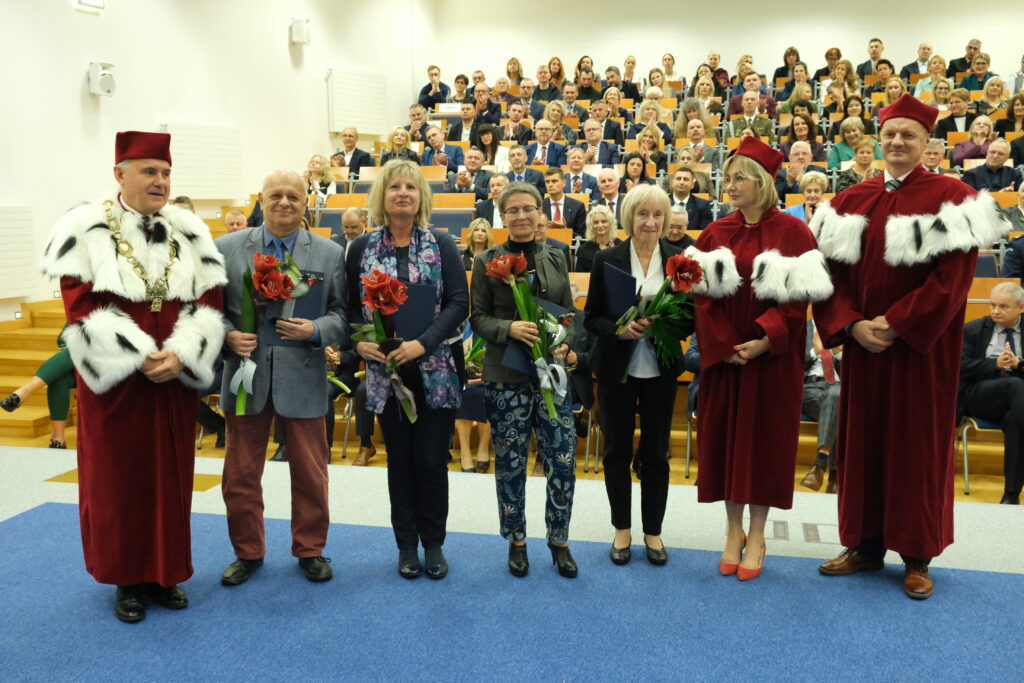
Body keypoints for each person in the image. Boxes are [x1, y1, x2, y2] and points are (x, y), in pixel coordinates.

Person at [812, 94, 1003, 599]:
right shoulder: (850, 201)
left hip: (922, 351)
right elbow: (829, 277)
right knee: (864, 445)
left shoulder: (953, 197)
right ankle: (864, 545)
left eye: (908, 135)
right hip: (864, 350)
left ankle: (917, 555)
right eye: (890, 134)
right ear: (879, 139)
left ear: (926, 142)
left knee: (916, 449)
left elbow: (951, 282)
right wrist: (852, 325)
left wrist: (896, 324)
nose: (898, 142)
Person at [41, 130, 226, 622]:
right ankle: (125, 579)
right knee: (118, 481)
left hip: (172, 382)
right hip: (116, 384)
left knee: (171, 478)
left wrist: (182, 354)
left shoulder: (191, 230)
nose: (160, 181)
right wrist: (139, 354)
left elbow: (210, 302)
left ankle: (165, 573)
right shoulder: (83, 228)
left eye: (165, 173)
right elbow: (80, 307)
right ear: (119, 175)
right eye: (149, 172)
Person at [690, 136, 833, 581]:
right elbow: (699, 299)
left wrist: (764, 340)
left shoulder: (794, 232)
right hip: (726, 361)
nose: (730, 185)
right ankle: (732, 532)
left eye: (739, 178)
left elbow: (799, 301)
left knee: (763, 446)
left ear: (762, 182)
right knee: (726, 444)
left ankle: (757, 534)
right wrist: (724, 345)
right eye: (728, 178)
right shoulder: (716, 232)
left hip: (772, 362)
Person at [217, 169, 344, 586]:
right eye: (276, 195)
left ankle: (310, 549)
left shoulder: (328, 253)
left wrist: (317, 329)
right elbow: (206, 313)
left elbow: (343, 315)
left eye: (293, 196)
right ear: (261, 198)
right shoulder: (226, 249)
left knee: (310, 473)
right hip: (244, 378)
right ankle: (248, 552)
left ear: (306, 202)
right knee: (240, 475)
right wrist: (227, 336)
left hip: (303, 376)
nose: (284, 202)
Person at [346, 160, 469, 580]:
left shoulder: (442, 243)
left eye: (411, 187)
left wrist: (422, 343)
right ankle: (405, 546)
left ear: (422, 197)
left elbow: (459, 303)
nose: (402, 193)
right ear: (381, 195)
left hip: (435, 368)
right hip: (386, 373)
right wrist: (359, 342)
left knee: (431, 461)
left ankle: (433, 543)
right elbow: (350, 309)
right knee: (399, 460)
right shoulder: (361, 248)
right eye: (394, 186)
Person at [469, 181, 580, 579]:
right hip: (506, 375)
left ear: (539, 213)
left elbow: (567, 314)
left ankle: (559, 540)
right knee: (511, 462)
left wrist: (566, 342)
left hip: (552, 374)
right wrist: (509, 328)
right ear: (502, 216)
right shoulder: (486, 260)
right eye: (512, 210)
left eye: (528, 208)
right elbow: (478, 318)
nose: (520, 216)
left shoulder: (557, 255)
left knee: (562, 459)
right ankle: (516, 540)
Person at [584, 183, 691, 567]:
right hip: (617, 371)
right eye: (643, 214)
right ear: (629, 217)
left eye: (658, 214)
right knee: (616, 451)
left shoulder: (679, 261)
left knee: (657, 454)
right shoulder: (607, 258)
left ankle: (653, 532)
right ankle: (622, 530)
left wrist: (663, 325)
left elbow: (691, 319)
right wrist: (619, 330)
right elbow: (591, 318)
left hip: (661, 371)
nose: (650, 221)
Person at [958, 282, 1024, 505]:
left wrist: (1019, 364)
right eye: (993, 305)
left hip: (1017, 401)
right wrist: (994, 364)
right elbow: (959, 367)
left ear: (1021, 307)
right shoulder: (973, 329)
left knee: (1015, 421)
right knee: (1014, 385)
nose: (996, 311)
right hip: (980, 394)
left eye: (1003, 306)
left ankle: (1011, 495)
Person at [2, 327, 77, 449]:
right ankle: (58, 439)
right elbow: (61, 338)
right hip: (79, 367)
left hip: (105, 366)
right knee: (59, 379)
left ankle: (22, 393)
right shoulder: (83, 314)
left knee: (79, 349)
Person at [798, 320, 842, 493]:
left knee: (836, 396)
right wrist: (814, 352)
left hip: (838, 387)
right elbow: (790, 362)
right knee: (838, 412)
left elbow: (859, 367)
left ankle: (820, 463)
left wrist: (838, 354)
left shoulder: (845, 329)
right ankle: (834, 476)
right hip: (810, 388)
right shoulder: (801, 327)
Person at [573, 203, 620, 273]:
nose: (600, 225)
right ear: (591, 226)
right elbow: (580, 276)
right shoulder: (583, 250)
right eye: (596, 222)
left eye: (604, 221)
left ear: (610, 223)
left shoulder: (621, 247)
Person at [541, 167, 586, 238]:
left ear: (564, 183)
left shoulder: (577, 206)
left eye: (554, 181)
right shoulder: (540, 206)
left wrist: (565, 230)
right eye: (547, 182)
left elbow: (582, 236)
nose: (550, 185)